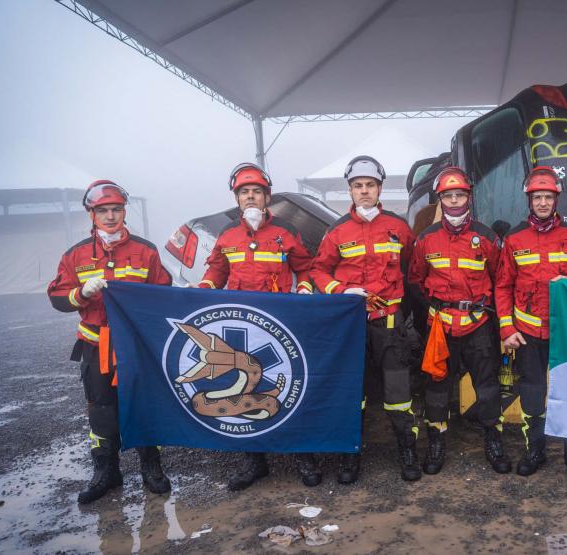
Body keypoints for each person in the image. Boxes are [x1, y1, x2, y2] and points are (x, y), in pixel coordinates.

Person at [48, 180, 172, 504]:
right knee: (101, 410)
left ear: (124, 212)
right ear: (92, 214)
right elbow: (58, 297)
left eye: (116, 209)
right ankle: (106, 470)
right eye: (103, 210)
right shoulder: (75, 255)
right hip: (95, 347)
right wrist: (81, 292)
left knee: (143, 404)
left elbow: (163, 291)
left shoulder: (146, 251)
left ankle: (151, 466)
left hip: (135, 346)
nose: (111, 216)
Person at [199, 162, 317, 490]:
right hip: (241, 328)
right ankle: (254, 460)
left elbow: (306, 267)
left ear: (267, 197)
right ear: (236, 198)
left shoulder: (286, 231)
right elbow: (216, 271)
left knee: (288, 386)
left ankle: (301, 454)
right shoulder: (227, 235)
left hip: (279, 326)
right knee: (244, 389)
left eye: (256, 192)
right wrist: (204, 289)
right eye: (244, 192)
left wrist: (304, 289)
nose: (250, 197)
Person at [310, 155, 420, 483]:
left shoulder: (398, 227)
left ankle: (407, 450)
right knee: (351, 391)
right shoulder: (337, 231)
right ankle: (350, 454)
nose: (364, 191)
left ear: (380, 188)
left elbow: (413, 267)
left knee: (398, 393)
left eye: (370, 185)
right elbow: (318, 270)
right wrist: (341, 290)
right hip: (352, 324)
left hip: (390, 323)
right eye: (358, 185)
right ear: (350, 190)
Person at [407, 167, 510, 475]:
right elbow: (415, 281)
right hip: (440, 326)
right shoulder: (425, 239)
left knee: (487, 387)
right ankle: (436, 444)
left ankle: (494, 441)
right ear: (440, 199)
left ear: (469, 197)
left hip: (478, 325)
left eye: (459, 195)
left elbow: (501, 279)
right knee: (437, 387)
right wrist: (431, 314)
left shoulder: (487, 237)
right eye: (448, 195)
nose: (454, 200)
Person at [494, 166, 567, 477]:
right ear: (529, 200)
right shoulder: (514, 238)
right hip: (528, 332)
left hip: (566, 331)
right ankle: (535, 450)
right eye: (537, 197)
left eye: (548, 197)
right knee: (532, 392)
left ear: (556, 200)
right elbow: (503, 286)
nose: (542, 203)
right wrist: (507, 328)